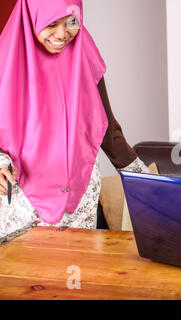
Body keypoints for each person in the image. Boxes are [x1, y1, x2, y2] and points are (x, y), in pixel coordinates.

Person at [0, 0, 151, 237]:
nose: (62, 34)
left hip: (78, 196)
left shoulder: (84, 55)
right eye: (51, 24)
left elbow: (107, 129)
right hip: (21, 198)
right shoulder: (5, 61)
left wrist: (151, 185)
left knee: (75, 268)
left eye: (71, 21)